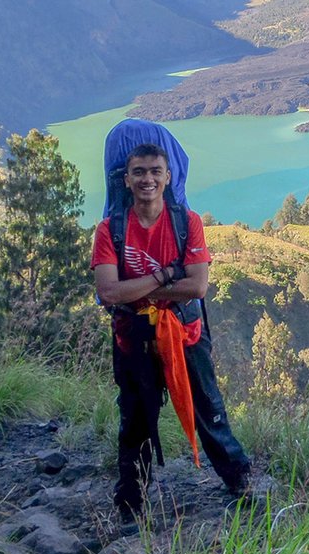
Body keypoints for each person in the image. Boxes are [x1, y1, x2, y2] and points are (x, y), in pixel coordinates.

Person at [91, 141, 251, 521]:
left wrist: (139, 288)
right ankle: (129, 504)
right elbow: (109, 292)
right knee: (135, 420)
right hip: (134, 339)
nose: (147, 179)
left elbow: (197, 287)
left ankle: (241, 481)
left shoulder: (186, 222)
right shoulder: (110, 230)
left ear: (167, 177)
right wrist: (164, 275)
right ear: (126, 179)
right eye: (139, 172)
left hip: (185, 334)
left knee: (209, 410)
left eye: (155, 171)